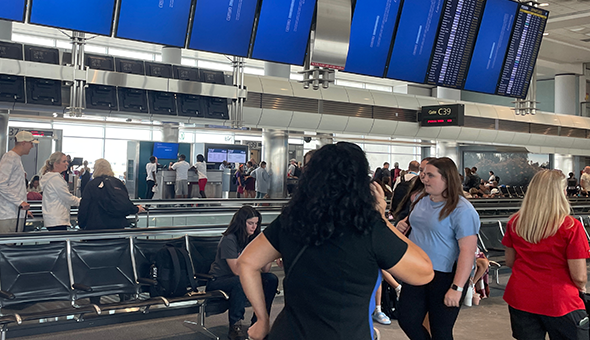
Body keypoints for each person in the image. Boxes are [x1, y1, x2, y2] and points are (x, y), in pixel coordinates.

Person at [237, 142, 433, 340]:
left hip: (289, 332)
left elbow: (247, 262)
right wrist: (381, 217)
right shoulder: (368, 227)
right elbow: (423, 273)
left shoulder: (292, 219)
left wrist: (262, 320)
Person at [396, 157, 481, 340]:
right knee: (407, 319)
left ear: (446, 179)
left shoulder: (462, 210)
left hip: (445, 276)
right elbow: (414, 222)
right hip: (417, 271)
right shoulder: (420, 200)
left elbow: (467, 252)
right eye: (424, 174)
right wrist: (402, 224)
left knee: (440, 331)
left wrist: (457, 288)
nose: (424, 179)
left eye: (430, 176)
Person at [502, 169, 590, 340]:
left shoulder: (515, 222)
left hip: (521, 296)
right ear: (561, 193)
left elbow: (510, 261)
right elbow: (579, 276)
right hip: (560, 300)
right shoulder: (570, 227)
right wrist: (582, 289)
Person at [206, 206, 278, 340]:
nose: (254, 227)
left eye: (256, 224)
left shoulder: (253, 240)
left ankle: (260, 321)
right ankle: (235, 325)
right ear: (241, 223)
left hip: (240, 279)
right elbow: (237, 271)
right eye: (250, 223)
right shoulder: (229, 239)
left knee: (271, 279)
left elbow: (265, 269)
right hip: (219, 280)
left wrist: (269, 255)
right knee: (240, 280)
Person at [78, 158, 144, 230]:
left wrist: (82, 224)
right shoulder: (118, 183)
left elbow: (84, 205)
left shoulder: (91, 184)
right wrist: (136, 209)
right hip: (117, 227)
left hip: (95, 227)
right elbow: (125, 202)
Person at [0, 131, 37, 234]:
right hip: (7, 213)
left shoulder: (16, 158)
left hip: (14, 212)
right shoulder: (10, 157)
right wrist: (20, 202)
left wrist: (23, 209)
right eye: (31, 143)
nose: (32, 146)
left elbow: (15, 187)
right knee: (5, 247)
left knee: (12, 246)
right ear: (23, 143)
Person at [40, 152, 81, 231]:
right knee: (59, 242)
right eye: (64, 161)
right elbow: (68, 198)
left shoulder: (51, 178)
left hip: (53, 218)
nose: (67, 163)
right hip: (57, 219)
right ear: (56, 164)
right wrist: (83, 201)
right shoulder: (55, 179)